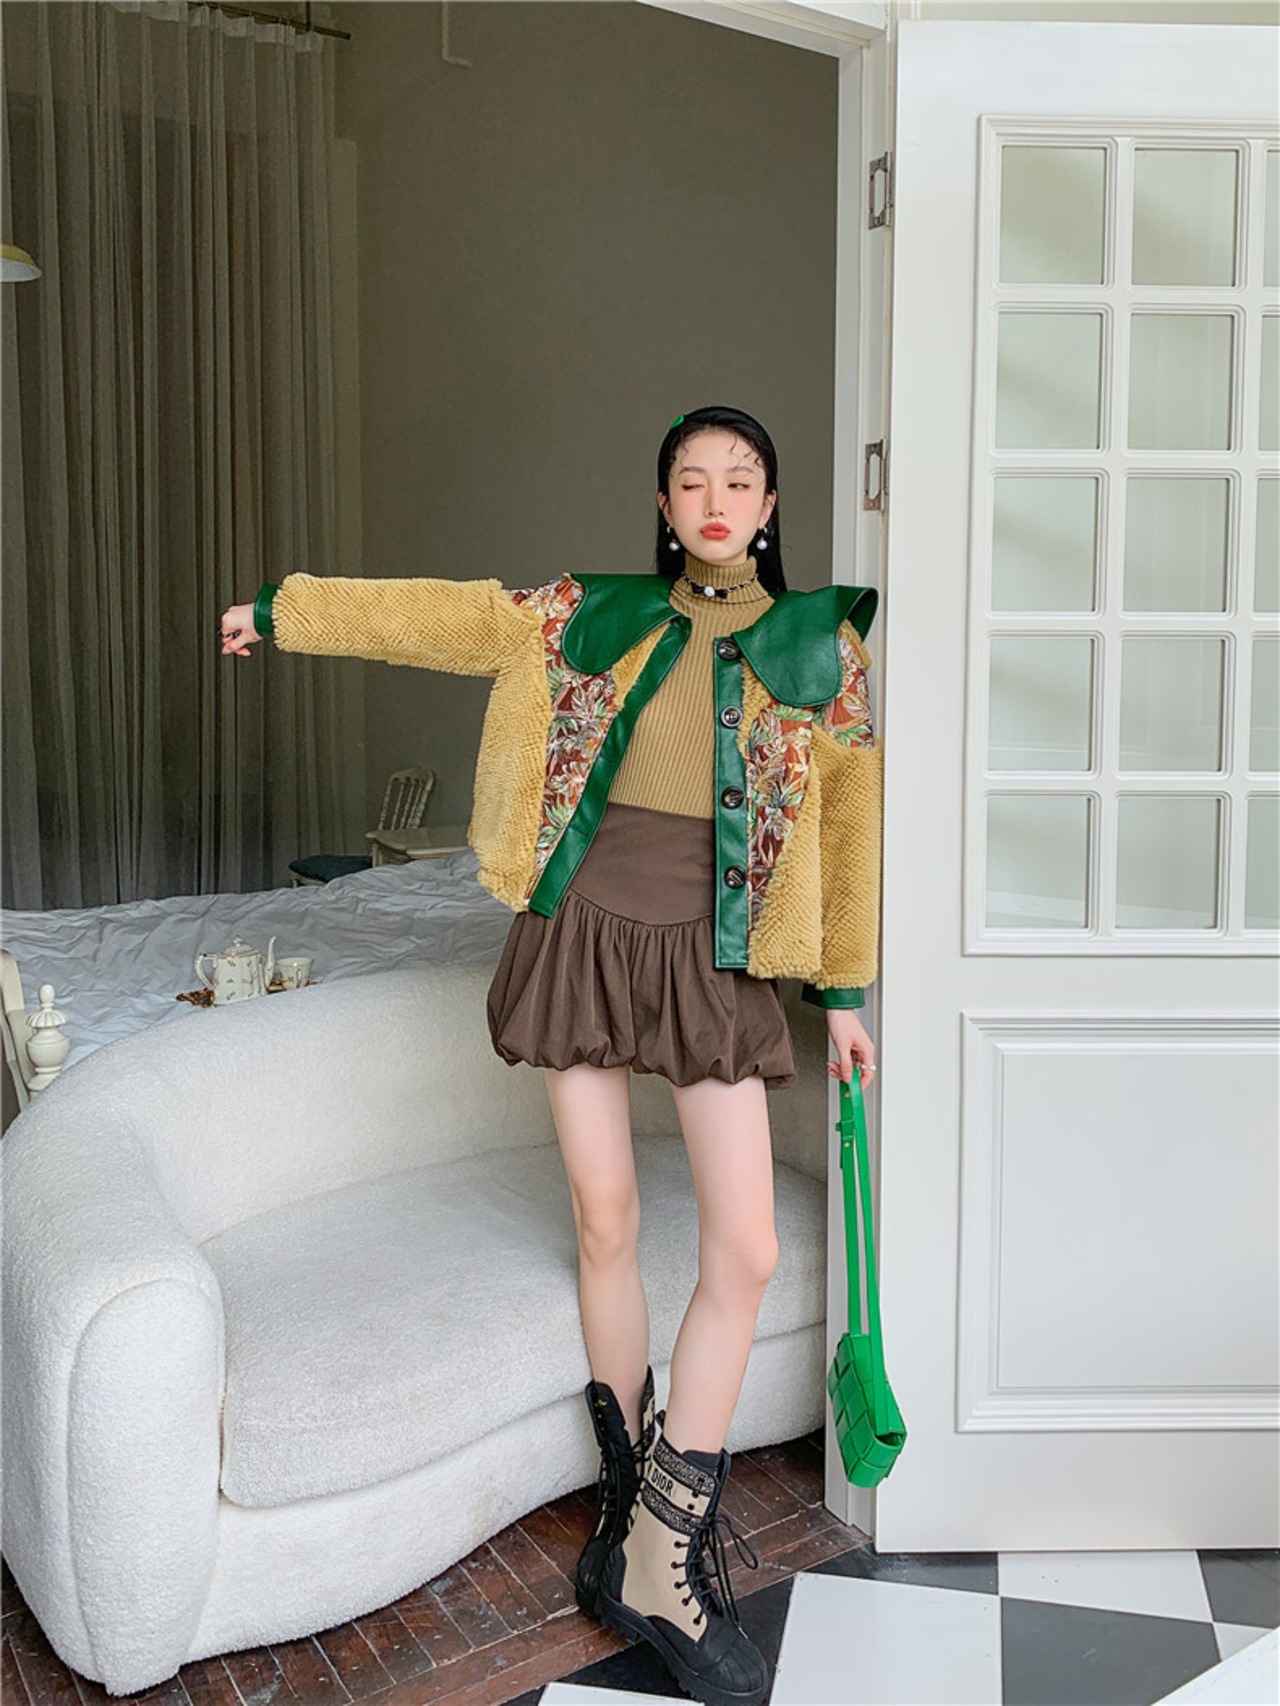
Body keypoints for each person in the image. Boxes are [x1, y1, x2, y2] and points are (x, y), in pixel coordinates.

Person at [218, 404, 880, 1706]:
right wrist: (284, 612)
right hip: (584, 928)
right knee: (605, 1216)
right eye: (690, 479)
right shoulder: (589, 613)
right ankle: (634, 1525)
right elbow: (443, 618)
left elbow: (852, 825)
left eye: (739, 480)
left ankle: (661, 1543)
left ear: (769, 507)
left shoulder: (825, 647)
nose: (714, 499)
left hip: (715, 952)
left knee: (744, 1247)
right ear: (663, 502)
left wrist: (846, 992)